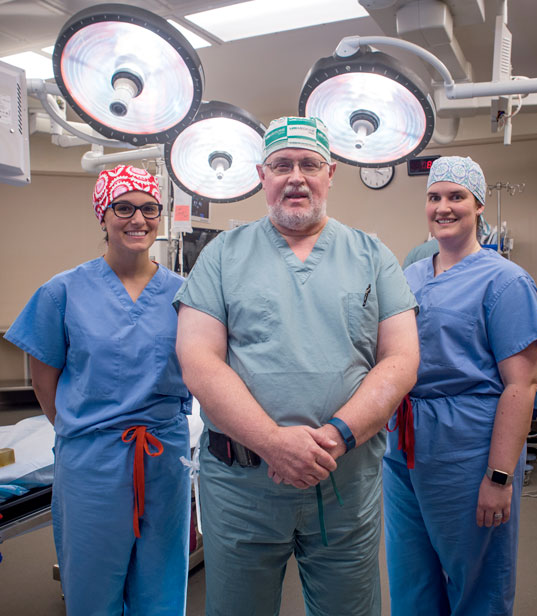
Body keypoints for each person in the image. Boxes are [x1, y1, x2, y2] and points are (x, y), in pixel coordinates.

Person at [175, 116, 419, 616]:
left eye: (309, 164)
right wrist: (272, 442)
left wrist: (338, 434)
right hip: (244, 485)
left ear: (330, 173)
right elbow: (198, 361)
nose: (296, 176)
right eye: (281, 165)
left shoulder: (372, 256)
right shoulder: (222, 255)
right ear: (262, 176)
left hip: (344, 482)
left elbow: (401, 359)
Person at [4, 165, 192, 615]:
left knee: (162, 581)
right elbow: (45, 383)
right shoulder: (62, 292)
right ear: (102, 216)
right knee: (91, 583)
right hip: (92, 460)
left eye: (149, 209)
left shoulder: (185, 294)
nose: (138, 219)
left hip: (163, 456)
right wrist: (87, 428)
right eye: (123, 207)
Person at [383, 156, 537, 616]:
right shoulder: (408, 277)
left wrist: (499, 476)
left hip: (468, 447)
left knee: (476, 579)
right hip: (403, 446)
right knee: (410, 576)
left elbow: (523, 382)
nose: (443, 207)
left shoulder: (506, 280)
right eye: (434, 197)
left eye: (456, 196)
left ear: (478, 206)